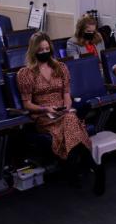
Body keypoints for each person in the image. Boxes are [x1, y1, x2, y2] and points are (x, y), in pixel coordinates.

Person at [16, 33, 105, 195]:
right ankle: (93, 167)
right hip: (43, 116)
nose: (44, 51)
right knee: (72, 121)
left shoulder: (60, 67)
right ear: (33, 51)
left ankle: (74, 166)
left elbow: (66, 94)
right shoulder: (25, 74)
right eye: (41, 49)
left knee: (70, 117)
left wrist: (66, 106)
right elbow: (27, 103)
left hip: (62, 111)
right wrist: (45, 109)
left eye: (47, 48)